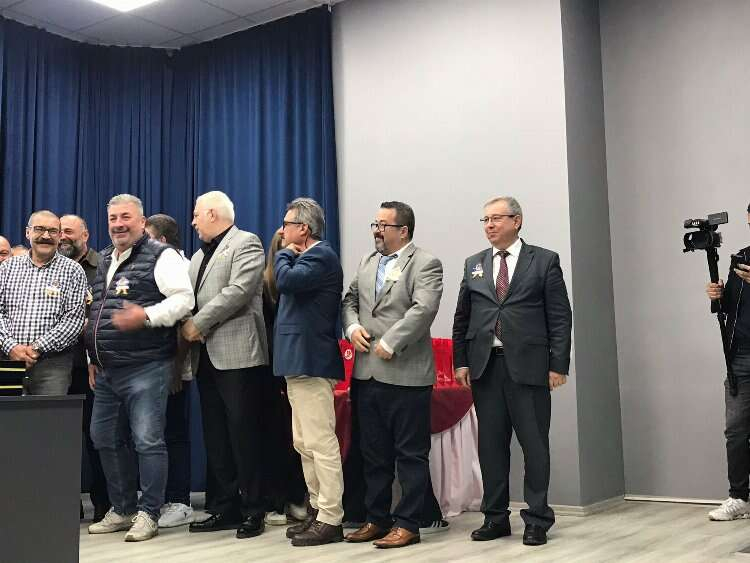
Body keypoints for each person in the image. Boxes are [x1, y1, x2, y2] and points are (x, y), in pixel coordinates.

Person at [452, 196, 572, 546]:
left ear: (516, 221)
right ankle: (495, 518)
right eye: (485, 220)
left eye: (496, 218)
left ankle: (537, 519)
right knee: (490, 447)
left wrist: (558, 364)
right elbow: (462, 317)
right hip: (486, 367)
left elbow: (560, 317)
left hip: (530, 367)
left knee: (534, 445)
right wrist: (461, 361)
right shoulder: (474, 264)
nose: (489, 225)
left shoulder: (544, 260)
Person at [86, 194, 194, 542]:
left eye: (125, 217)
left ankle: (149, 513)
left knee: (147, 440)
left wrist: (145, 315)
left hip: (146, 366)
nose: (118, 224)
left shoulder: (162, 256)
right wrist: (92, 358)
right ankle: (122, 509)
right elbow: (98, 311)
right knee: (103, 437)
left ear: (142, 221)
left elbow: (184, 300)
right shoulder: (105, 257)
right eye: (113, 218)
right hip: (107, 370)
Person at [341, 201, 443, 549]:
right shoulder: (367, 261)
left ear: (403, 230)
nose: (376, 230)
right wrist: (351, 327)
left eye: (383, 225)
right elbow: (349, 300)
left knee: (410, 454)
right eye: (375, 224)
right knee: (374, 454)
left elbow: (424, 309)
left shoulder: (425, 263)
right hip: (367, 374)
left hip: (406, 374)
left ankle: (409, 524)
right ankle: (376, 518)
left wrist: (391, 341)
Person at [185, 191, 268, 540]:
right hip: (205, 357)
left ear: (212, 213)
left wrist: (198, 323)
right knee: (216, 436)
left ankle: (254, 509)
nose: (193, 221)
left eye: (196, 215)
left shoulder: (246, 243)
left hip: (238, 355)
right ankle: (225, 507)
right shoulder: (196, 256)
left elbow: (238, 292)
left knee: (243, 433)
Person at [273, 197, 346, 547]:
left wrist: (284, 253)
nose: (281, 230)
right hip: (296, 361)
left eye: (287, 224)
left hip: (311, 360)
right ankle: (317, 509)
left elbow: (285, 281)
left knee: (320, 441)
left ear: (303, 228)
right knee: (304, 443)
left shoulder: (321, 256)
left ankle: (331, 517)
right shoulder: (306, 256)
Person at [58, 214, 111, 522]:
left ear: (85, 235)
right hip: (56, 364)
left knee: (97, 436)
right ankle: (65, 500)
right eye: (59, 231)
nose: (63, 236)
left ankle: (103, 503)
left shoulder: (102, 265)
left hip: (90, 366)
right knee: (60, 438)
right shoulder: (51, 267)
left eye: (69, 231)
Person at [0, 210, 87, 395]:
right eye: (39, 229)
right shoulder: (7, 268)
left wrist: (36, 348)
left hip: (53, 366)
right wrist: (10, 346)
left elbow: (73, 320)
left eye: (52, 231)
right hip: (7, 359)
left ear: (60, 235)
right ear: (27, 232)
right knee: (7, 413)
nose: (46, 236)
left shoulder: (74, 271)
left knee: (48, 414)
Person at [145, 213, 195, 528]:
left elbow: (185, 323)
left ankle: (179, 500)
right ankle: (158, 498)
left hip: (173, 365)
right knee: (153, 434)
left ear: (161, 241)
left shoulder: (179, 266)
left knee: (174, 431)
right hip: (148, 365)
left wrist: (176, 367)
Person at [260, 231, 308, 526]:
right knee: (274, 438)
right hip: (271, 369)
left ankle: (298, 497)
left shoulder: (304, 279)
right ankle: (276, 500)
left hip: (298, 364)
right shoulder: (264, 285)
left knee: (300, 439)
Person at [706, 202, 750, 521]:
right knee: (735, 432)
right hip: (741, 358)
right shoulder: (742, 259)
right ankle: (739, 498)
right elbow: (730, 310)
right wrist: (717, 296)